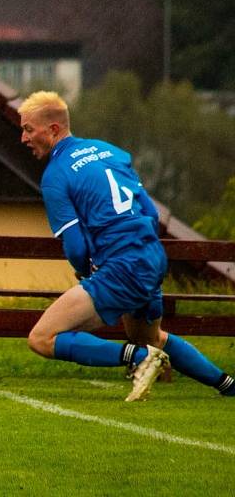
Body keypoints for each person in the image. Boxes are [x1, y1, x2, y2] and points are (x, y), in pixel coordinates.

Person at [18, 91, 235, 401]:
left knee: (42, 338)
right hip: (150, 257)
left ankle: (137, 359)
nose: (23, 138)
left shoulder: (56, 175)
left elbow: (77, 247)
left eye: (28, 129)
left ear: (53, 129)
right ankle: (227, 384)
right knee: (150, 338)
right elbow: (150, 213)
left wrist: (88, 274)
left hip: (122, 266)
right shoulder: (111, 153)